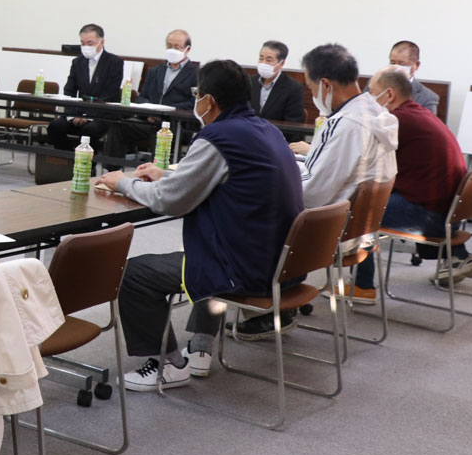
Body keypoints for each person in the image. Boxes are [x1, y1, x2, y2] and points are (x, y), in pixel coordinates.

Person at [95, 60, 303, 390]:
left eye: (197, 93)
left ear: (210, 101)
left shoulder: (218, 136)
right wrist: (174, 176)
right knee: (200, 248)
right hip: (281, 262)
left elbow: (169, 201)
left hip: (245, 268)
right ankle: (202, 348)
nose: (196, 99)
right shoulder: (264, 129)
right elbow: (224, 180)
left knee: (134, 273)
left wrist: (122, 182)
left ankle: (169, 364)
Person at [233, 44, 398, 338]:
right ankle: (277, 302)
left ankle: (267, 305)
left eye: (310, 87)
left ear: (325, 84)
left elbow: (310, 195)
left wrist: (272, 175)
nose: (312, 95)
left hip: (325, 234)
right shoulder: (374, 112)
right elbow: (327, 173)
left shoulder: (347, 124)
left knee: (235, 212)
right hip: (355, 231)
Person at [351, 68, 472, 297]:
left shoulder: (397, 121)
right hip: (449, 213)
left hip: (430, 216)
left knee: (356, 209)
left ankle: (362, 287)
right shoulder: (421, 115)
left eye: (371, 92)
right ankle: (458, 254)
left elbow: (359, 159)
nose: (367, 99)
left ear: (389, 94)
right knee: (368, 197)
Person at [103, 29, 198, 160]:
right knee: (119, 127)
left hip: (176, 124)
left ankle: (158, 175)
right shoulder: (155, 71)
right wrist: (151, 112)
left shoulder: (196, 74)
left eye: (177, 47)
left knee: (161, 135)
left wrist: (165, 112)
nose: (172, 50)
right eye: (169, 46)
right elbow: (141, 97)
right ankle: (112, 171)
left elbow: (193, 103)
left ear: (187, 49)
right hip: (148, 120)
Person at [46, 24, 124, 151]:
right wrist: (73, 114)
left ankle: (88, 166)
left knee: (89, 130)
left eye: (90, 43)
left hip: (102, 114)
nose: (86, 47)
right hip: (77, 112)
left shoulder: (114, 62)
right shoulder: (77, 62)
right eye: (83, 43)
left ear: (101, 42)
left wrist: (87, 116)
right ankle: (69, 158)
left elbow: (110, 94)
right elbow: (69, 90)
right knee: (55, 127)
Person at [250, 40, 305, 125]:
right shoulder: (249, 82)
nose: (263, 63)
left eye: (269, 60)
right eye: (261, 58)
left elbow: (292, 125)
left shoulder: (293, 88)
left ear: (281, 63)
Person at [388, 40, 439, 115]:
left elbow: (427, 126)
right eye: (392, 63)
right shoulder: (376, 85)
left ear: (416, 65)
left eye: (402, 63)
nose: (396, 67)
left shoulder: (427, 97)